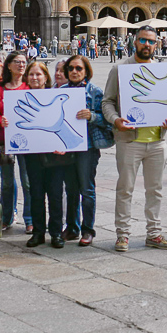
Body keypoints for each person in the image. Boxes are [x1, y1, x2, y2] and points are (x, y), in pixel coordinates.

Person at [103, 24, 167, 251]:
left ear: (157, 44)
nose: (147, 45)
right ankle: (122, 235)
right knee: (125, 189)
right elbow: (107, 102)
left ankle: (154, 233)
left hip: (158, 141)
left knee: (156, 190)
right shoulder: (120, 69)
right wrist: (115, 120)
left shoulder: (161, 70)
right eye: (143, 40)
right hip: (129, 141)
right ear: (135, 42)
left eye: (151, 41)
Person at [60, 54, 112, 246]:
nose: (74, 71)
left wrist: (91, 116)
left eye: (78, 68)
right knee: (71, 189)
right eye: (71, 68)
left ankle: (88, 229)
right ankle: (72, 227)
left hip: (87, 147)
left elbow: (107, 119)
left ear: (86, 71)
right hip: (67, 147)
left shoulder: (95, 91)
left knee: (87, 189)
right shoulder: (60, 91)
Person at [21, 60, 70, 248]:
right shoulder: (20, 97)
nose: (34, 78)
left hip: (54, 154)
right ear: (27, 77)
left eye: (38, 74)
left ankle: (56, 232)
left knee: (55, 194)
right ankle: (38, 232)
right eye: (31, 74)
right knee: (36, 193)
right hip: (32, 154)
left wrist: (64, 145)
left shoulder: (54, 95)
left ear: (45, 77)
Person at [0, 50, 34, 232]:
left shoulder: (29, 86)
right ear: (8, 65)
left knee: (28, 181)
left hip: (27, 140)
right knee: (7, 181)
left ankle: (30, 219)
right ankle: (6, 217)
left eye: (24, 62)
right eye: (17, 61)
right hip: (4, 139)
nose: (21, 65)